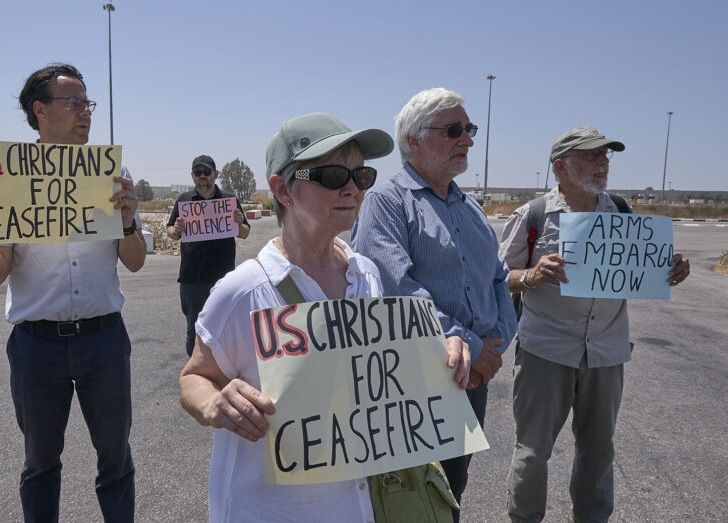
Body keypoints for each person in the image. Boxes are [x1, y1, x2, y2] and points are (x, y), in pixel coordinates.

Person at [178, 112, 472, 522]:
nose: (353, 189)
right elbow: (194, 376)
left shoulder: (366, 274)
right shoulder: (242, 291)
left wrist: (441, 354)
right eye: (333, 175)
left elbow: (379, 377)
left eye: (361, 175)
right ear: (283, 190)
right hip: (268, 510)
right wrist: (214, 402)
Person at [0, 63, 146, 522]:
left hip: (103, 337)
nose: (85, 112)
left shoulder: (111, 174)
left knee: (116, 461)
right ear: (40, 110)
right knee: (40, 465)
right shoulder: (3, 179)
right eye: (73, 102)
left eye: (88, 103)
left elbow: (135, 260)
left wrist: (127, 221)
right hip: (36, 346)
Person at [499, 126, 691, 522]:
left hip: (606, 352)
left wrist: (673, 268)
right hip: (545, 351)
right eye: (591, 155)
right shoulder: (534, 215)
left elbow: (647, 269)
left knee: (599, 449)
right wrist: (532, 275)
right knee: (533, 451)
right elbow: (497, 277)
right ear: (560, 166)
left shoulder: (621, 213)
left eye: (606, 155)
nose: (602, 162)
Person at [351, 87, 518, 520]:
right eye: (454, 130)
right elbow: (396, 294)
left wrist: (496, 340)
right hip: (415, 382)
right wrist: (476, 347)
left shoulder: (472, 207)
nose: (467, 140)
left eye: (470, 129)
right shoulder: (386, 204)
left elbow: (499, 277)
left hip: (473, 377)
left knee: (452, 490)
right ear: (415, 140)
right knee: (409, 495)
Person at [166, 155, 250, 357]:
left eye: (206, 172)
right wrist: (176, 230)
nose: (202, 176)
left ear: (215, 174)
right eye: (198, 172)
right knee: (194, 330)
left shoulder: (229, 200)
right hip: (191, 278)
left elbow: (245, 233)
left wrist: (239, 223)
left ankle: (226, 371)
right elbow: (171, 232)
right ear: (192, 175)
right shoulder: (184, 201)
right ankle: (198, 373)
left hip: (224, 278)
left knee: (226, 328)